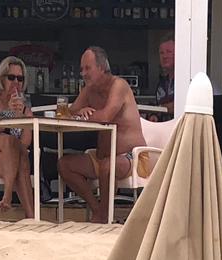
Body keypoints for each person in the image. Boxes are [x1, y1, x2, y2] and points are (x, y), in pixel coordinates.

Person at [58, 46, 141, 223]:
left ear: (102, 67)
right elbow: (69, 112)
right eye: (82, 69)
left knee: (107, 166)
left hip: (132, 157)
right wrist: (80, 111)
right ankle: (98, 211)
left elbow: (105, 117)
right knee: (64, 165)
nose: (83, 73)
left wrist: (84, 114)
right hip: (102, 157)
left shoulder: (119, 85)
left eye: (87, 68)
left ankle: (104, 217)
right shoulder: (89, 89)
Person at [0, 55, 34, 218]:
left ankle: (12, 198)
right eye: (11, 77)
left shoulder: (25, 110)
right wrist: (8, 114)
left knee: (16, 149)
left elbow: (25, 143)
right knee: (10, 143)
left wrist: (21, 118)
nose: (16, 82)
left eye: (20, 79)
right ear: (2, 79)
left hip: (12, 159)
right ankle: (30, 214)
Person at [155, 38, 174, 116]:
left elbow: (181, 105)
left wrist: (159, 109)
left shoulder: (186, 80)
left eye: (169, 52)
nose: (164, 56)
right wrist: (154, 115)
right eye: (161, 53)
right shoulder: (162, 83)